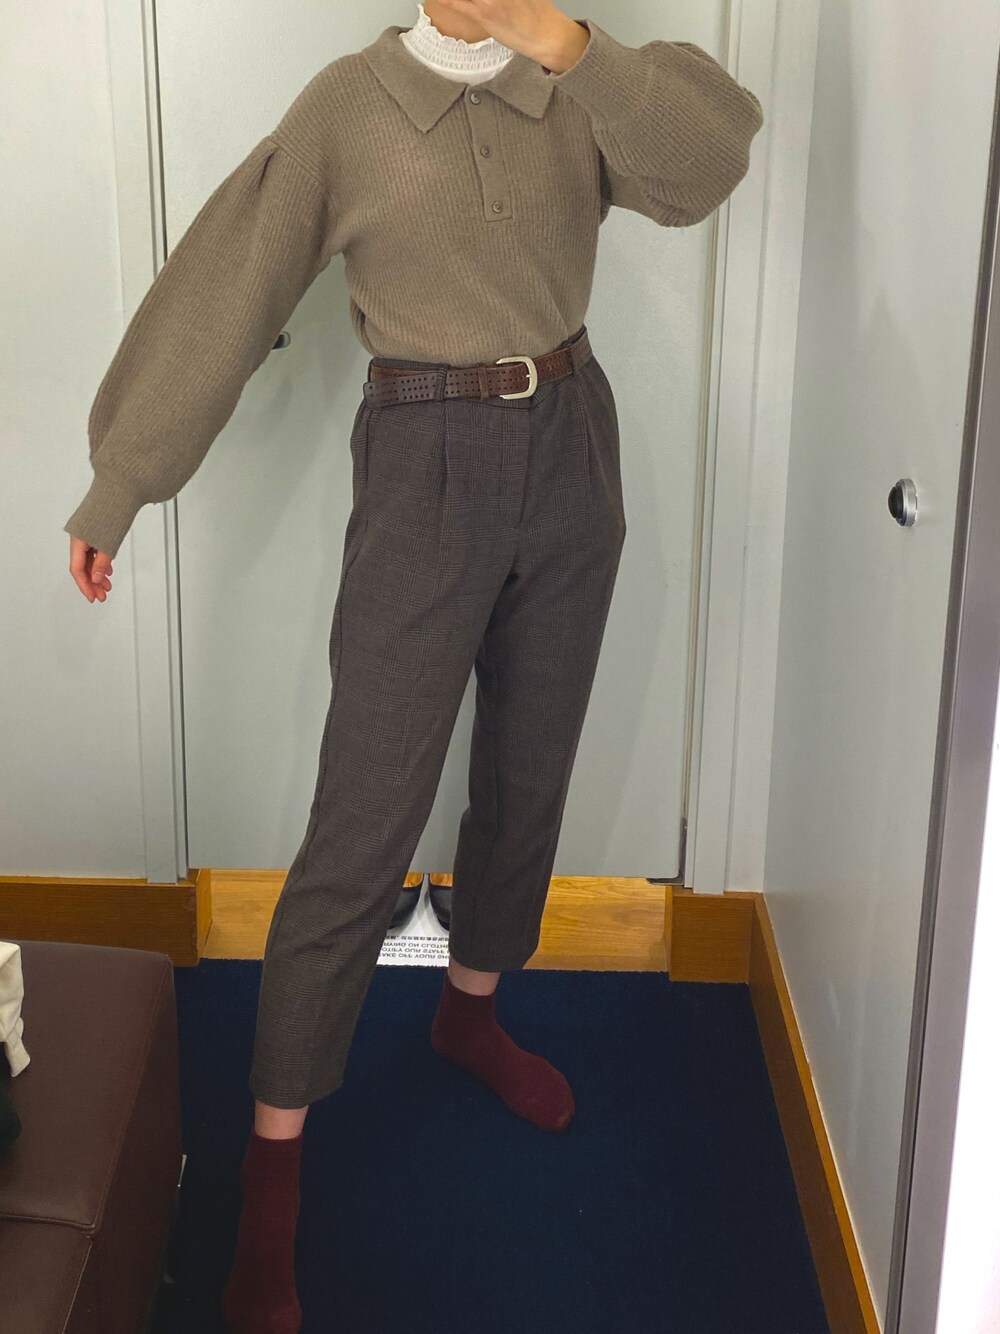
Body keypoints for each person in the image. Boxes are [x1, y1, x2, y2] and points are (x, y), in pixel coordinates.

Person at [64, 3, 763, 1329]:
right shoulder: (351, 105)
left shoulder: (577, 79)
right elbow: (231, 281)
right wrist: (123, 480)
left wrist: (566, 43)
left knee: (530, 766)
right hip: (424, 457)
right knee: (364, 814)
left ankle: (470, 1007)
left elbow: (708, 162)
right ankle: (274, 1168)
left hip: (575, 447)